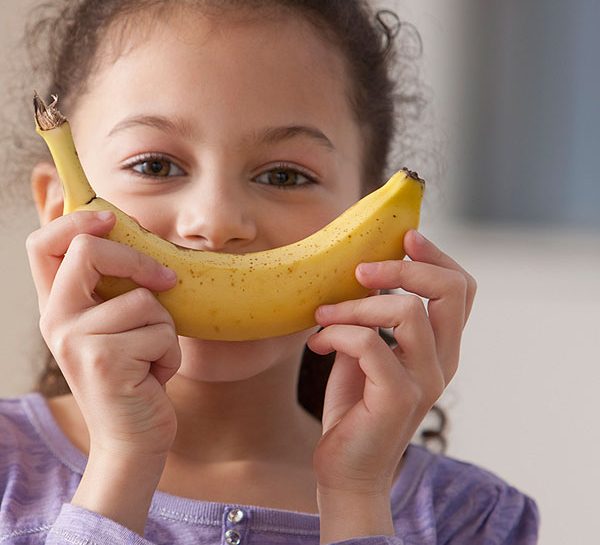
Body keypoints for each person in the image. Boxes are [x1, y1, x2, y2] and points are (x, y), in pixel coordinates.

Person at [0, 1, 539, 544]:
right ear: (58, 211)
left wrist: (356, 496)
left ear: (369, 218)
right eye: (155, 166)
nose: (217, 223)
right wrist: (121, 463)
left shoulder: (472, 520)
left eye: (284, 175)